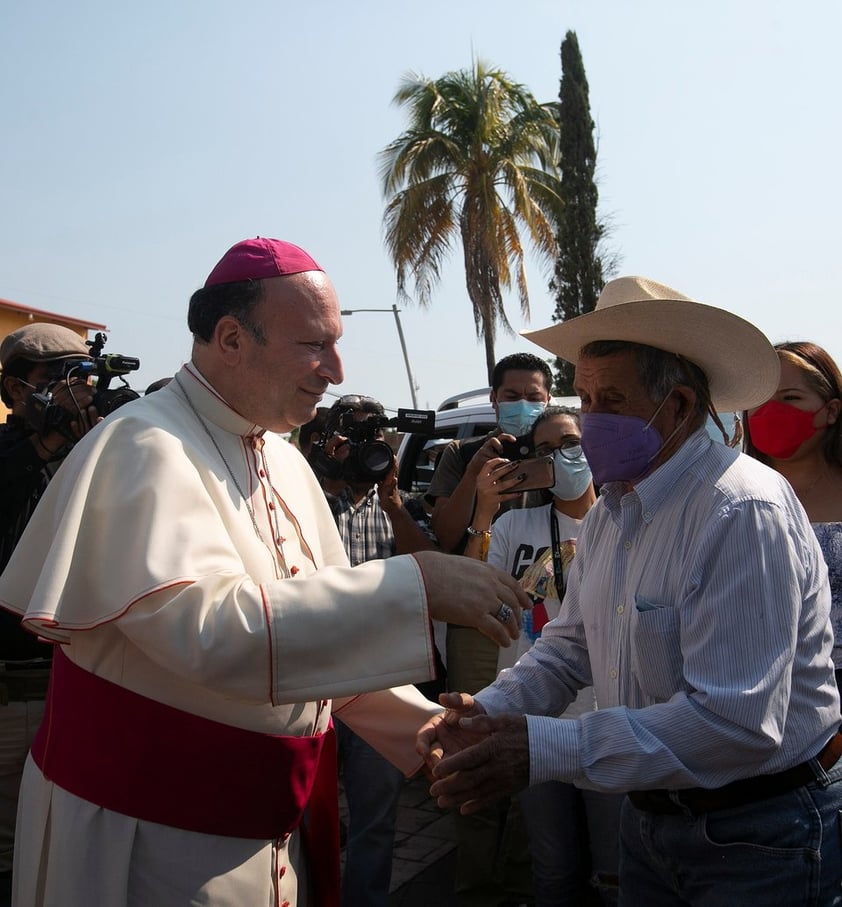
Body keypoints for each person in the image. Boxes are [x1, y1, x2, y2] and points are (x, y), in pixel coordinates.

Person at [0, 237, 530, 907]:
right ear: (230, 339)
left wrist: (424, 729)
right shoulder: (141, 445)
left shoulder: (284, 458)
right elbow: (210, 632)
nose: (335, 370)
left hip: (267, 834)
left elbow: (318, 640)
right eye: (315, 345)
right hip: (150, 841)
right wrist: (418, 583)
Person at [419, 275, 842, 905]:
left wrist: (539, 746)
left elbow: (738, 724)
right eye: (585, 398)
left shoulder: (740, 511)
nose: (590, 420)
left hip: (759, 834)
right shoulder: (615, 510)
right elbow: (570, 647)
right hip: (653, 821)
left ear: (676, 407)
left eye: (611, 399)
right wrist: (490, 712)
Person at [465, 405, 623, 905]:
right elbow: (473, 594)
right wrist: (484, 510)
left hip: (607, 717)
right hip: (533, 719)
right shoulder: (513, 525)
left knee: (617, 870)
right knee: (552, 866)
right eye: (546, 450)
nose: (562, 458)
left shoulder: (624, 519)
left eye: (572, 443)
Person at [426, 352, 552, 906]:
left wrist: (561, 462)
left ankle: (524, 880)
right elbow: (445, 532)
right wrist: (479, 483)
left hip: (546, 623)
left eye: (536, 395)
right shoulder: (462, 454)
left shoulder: (562, 450)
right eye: (513, 395)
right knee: (470, 744)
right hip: (477, 621)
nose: (524, 405)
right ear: (495, 398)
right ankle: (475, 886)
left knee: (535, 757)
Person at [320, 394, 437, 907]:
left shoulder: (400, 503)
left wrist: (392, 502)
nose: (369, 446)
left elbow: (431, 565)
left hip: (380, 677)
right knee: (306, 811)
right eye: (355, 436)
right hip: (312, 676)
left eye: (377, 435)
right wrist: (324, 472)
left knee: (377, 817)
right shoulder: (305, 500)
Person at [0, 323, 100, 889]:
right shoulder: (14, 454)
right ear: (17, 391)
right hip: (11, 695)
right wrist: (51, 443)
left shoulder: (94, 456)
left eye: (84, 377)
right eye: (59, 380)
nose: (79, 392)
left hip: (79, 688)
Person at [744, 341, 842, 687]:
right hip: (753, 691)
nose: (770, 411)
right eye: (760, 399)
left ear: (830, 411)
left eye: (790, 398)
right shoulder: (727, 495)